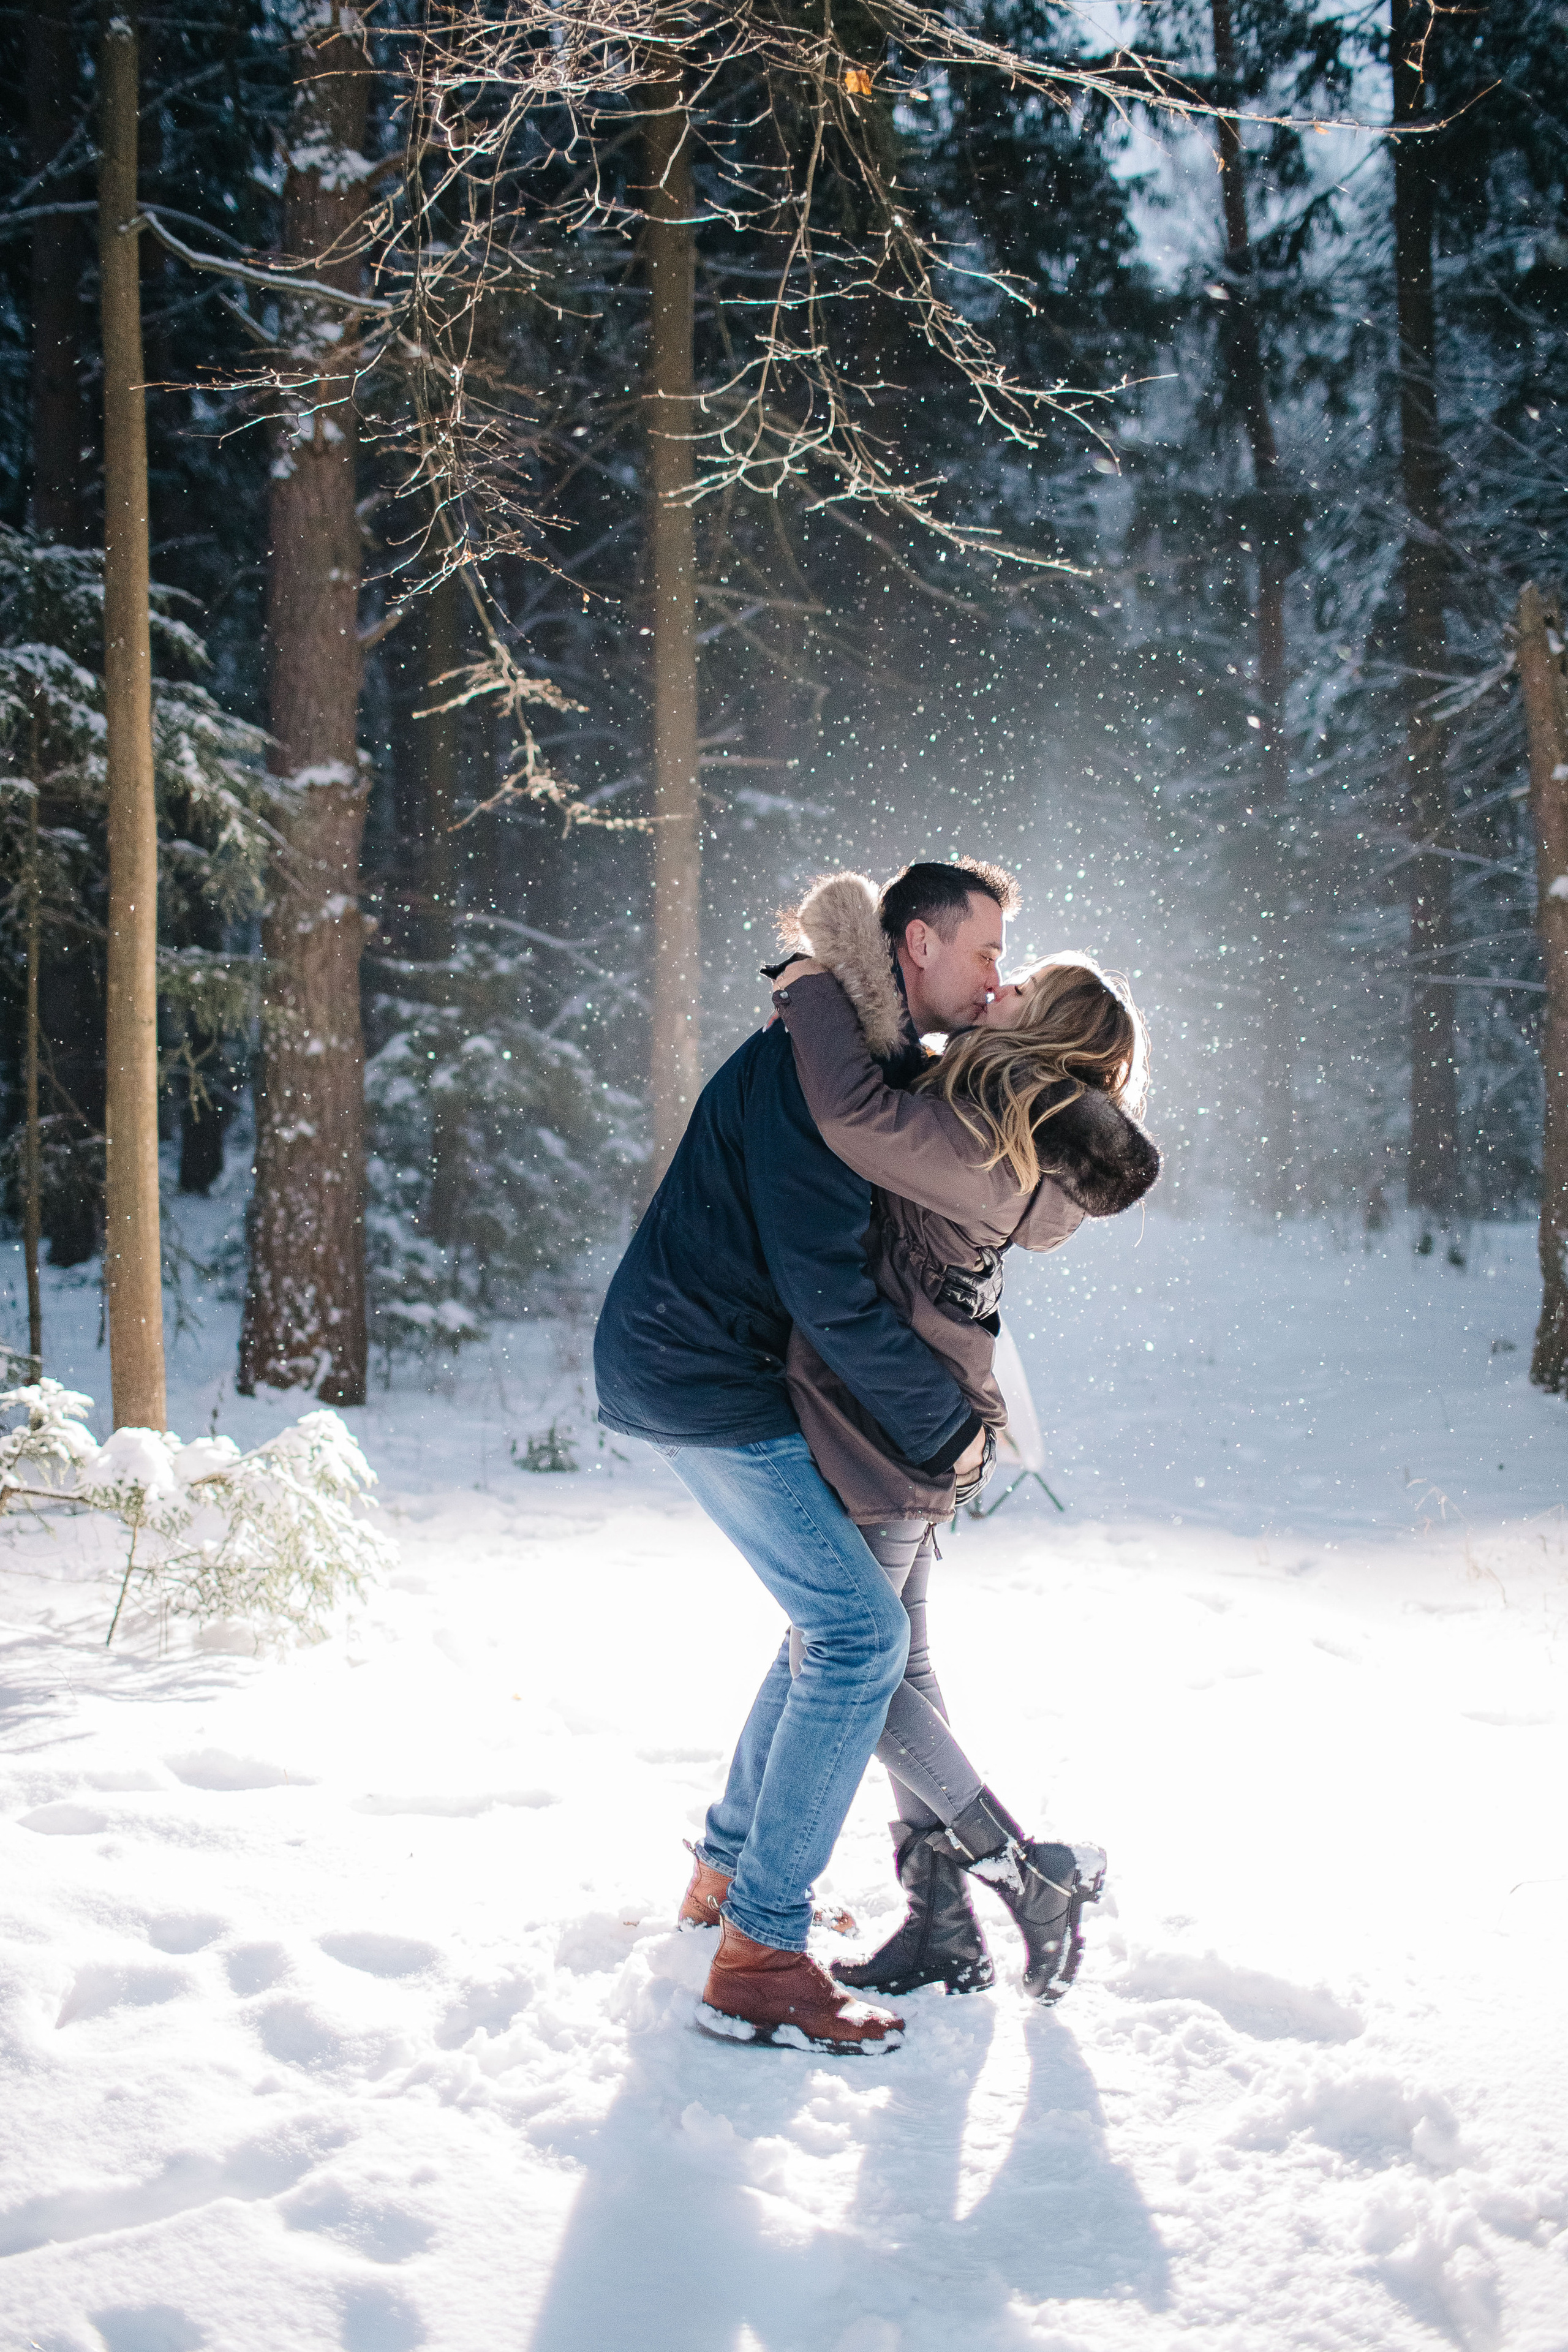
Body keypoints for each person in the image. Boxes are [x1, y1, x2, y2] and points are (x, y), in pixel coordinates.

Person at [593, 859, 1017, 2053]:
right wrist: (938, 1430)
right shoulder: (807, 1070)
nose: (997, 975)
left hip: (717, 1364)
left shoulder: (855, 1058)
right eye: (985, 950)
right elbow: (824, 1289)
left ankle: (725, 1890)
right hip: (702, 1370)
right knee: (859, 1641)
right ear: (918, 946)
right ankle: (762, 1961)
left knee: (830, 1628)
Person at [753, 867, 1159, 2001]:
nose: (1006, 983)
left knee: (854, 1668)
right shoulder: (983, 1108)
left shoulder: (987, 1141)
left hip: (892, 1423)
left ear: (1049, 1040)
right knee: (899, 1663)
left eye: (1029, 987)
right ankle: (940, 1925)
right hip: (901, 1411)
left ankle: (1029, 1872)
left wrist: (809, 990)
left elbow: (851, 1114)